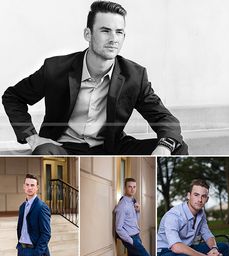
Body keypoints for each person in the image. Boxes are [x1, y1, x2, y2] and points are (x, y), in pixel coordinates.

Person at [2, 1, 188, 157]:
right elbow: (13, 97)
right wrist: (32, 137)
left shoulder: (134, 76)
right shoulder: (55, 69)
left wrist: (164, 147)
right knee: (44, 152)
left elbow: (164, 119)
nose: (113, 39)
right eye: (105, 31)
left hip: (110, 148)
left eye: (119, 32)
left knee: (177, 147)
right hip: (61, 146)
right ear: (88, 34)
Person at [157, 179, 229, 256]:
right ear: (189, 195)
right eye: (196, 195)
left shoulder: (201, 213)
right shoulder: (174, 215)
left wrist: (214, 249)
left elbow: (207, 234)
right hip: (165, 253)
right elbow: (176, 247)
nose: (200, 200)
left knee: (223, 247)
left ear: (207, 199)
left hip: (186, 248)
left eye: (203, 196)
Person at [114, 177, 153, 256]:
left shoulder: (133, 202)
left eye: (134, 187)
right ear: (125, 188)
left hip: (136, 235)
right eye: (130, 187)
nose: (132, 189)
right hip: (131, 238)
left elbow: (134, 221)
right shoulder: (123, 206)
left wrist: (138, 211)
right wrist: (131, 241)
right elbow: (118, 228)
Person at [17, 173, 51, 256]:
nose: (29, 187)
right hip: (22, 250)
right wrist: (19, 248)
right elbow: (20, 228)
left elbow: (46, 233)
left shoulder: (41, 207)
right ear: (24, 187)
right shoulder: (22, 207)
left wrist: (37, 253)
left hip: (34, 252)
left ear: (37, 188)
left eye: (32, 185)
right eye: (27, 185)